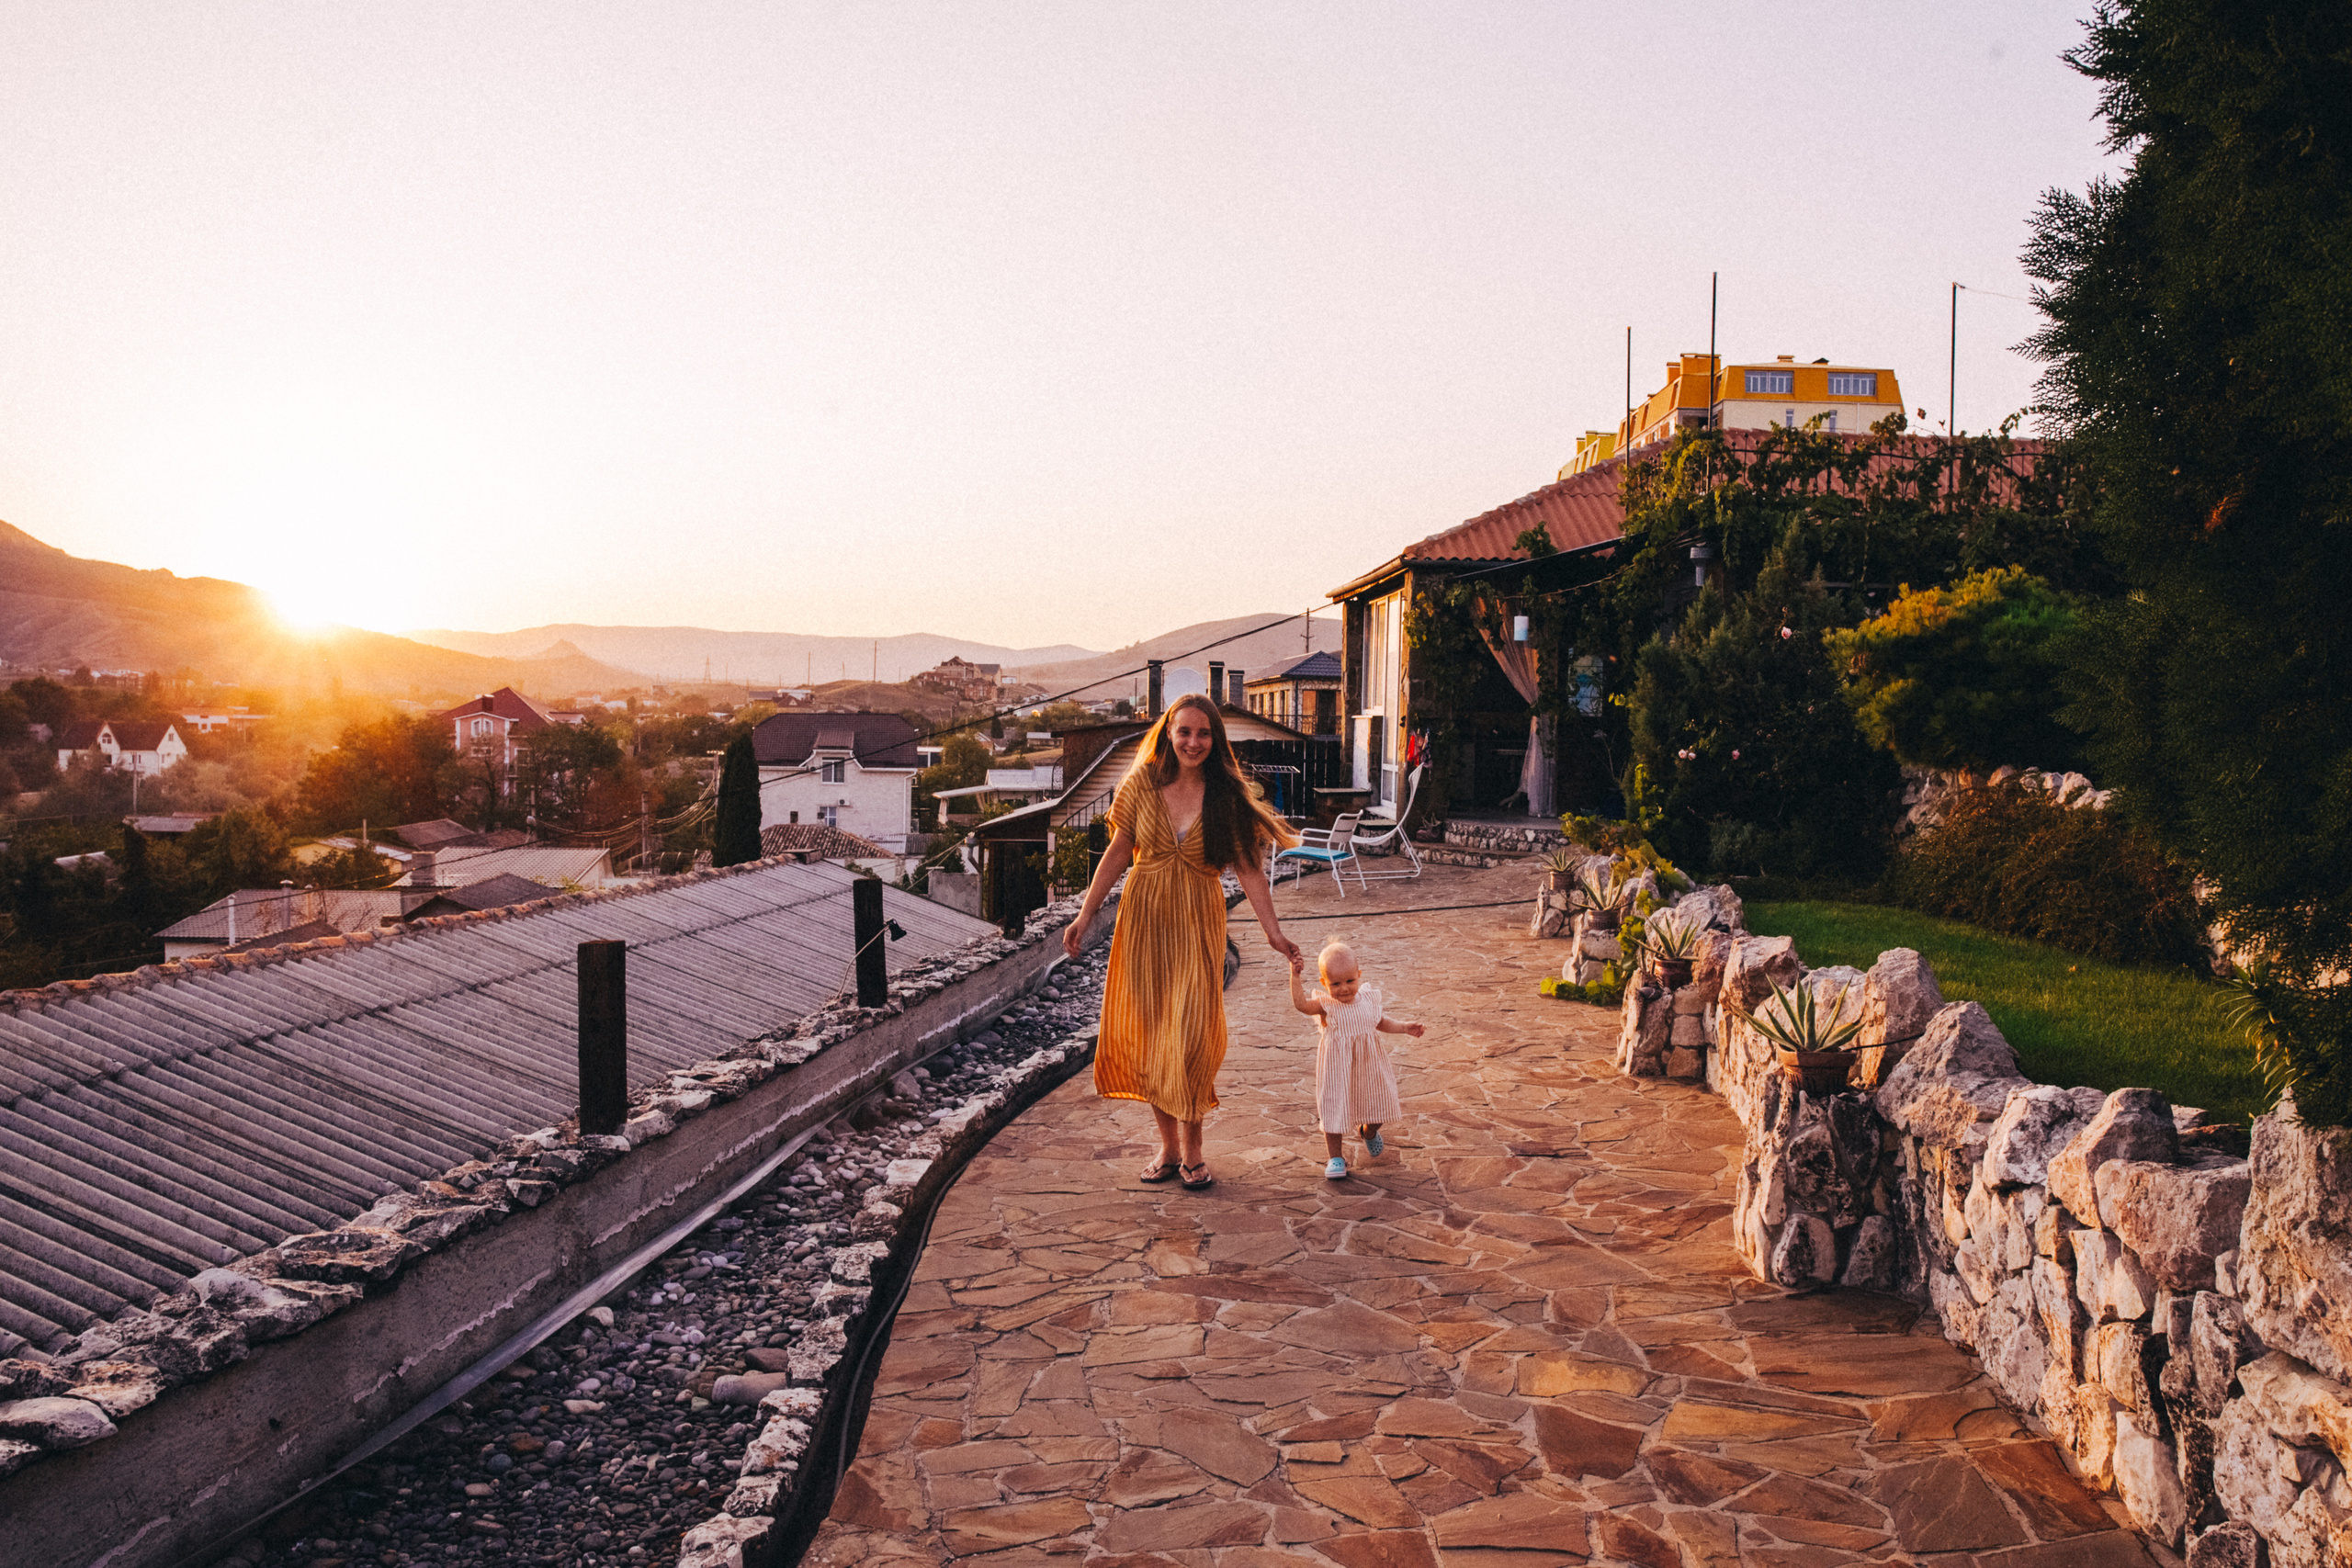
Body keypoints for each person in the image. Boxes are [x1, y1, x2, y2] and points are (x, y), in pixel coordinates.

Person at [1062, 693, 1301, 1189]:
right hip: (1144, 919)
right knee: (1154, 1035)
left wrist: (1273, 934)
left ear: (1216, 739)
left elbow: (1248, 868)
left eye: (1204, 733)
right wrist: (1086, 914)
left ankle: (1194, 1148)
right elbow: (1118, 851)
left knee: (1193, 1035)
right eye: (1185, 731)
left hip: (1198, 920)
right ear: (1169, 733)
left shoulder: (1225, 794)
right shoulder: (1141, 783)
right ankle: (1169, 1148)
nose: (1194, 742)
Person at [1286, 939, 1422, 1179]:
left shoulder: (1367, 999)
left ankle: (1368, 1132)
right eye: (1335, 983)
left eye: (1350, 981)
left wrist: (1404, 1027)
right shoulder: (1326, 1006)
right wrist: (1295, 976)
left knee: (1380, 1103)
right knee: (1334, 1109)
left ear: (1358, 975)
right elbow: (1301, 1005)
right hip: (1337, 1069)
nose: (1344, 989)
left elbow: (1380, 1022)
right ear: (1324, 983)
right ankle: (1335, 1157)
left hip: (1369, 1066)